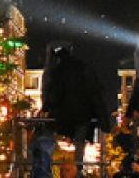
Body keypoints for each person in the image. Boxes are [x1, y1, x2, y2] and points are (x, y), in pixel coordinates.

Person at [42, 42, 112, 176]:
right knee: (79, 145)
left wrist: (47, 107)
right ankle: (77, 171)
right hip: (82, 115)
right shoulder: (82, 68)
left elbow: (53, 93)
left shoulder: (57, 70)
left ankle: (61, 172)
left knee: (60, 147)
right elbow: (95, 92)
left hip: (63, 115)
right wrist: (103, 119)